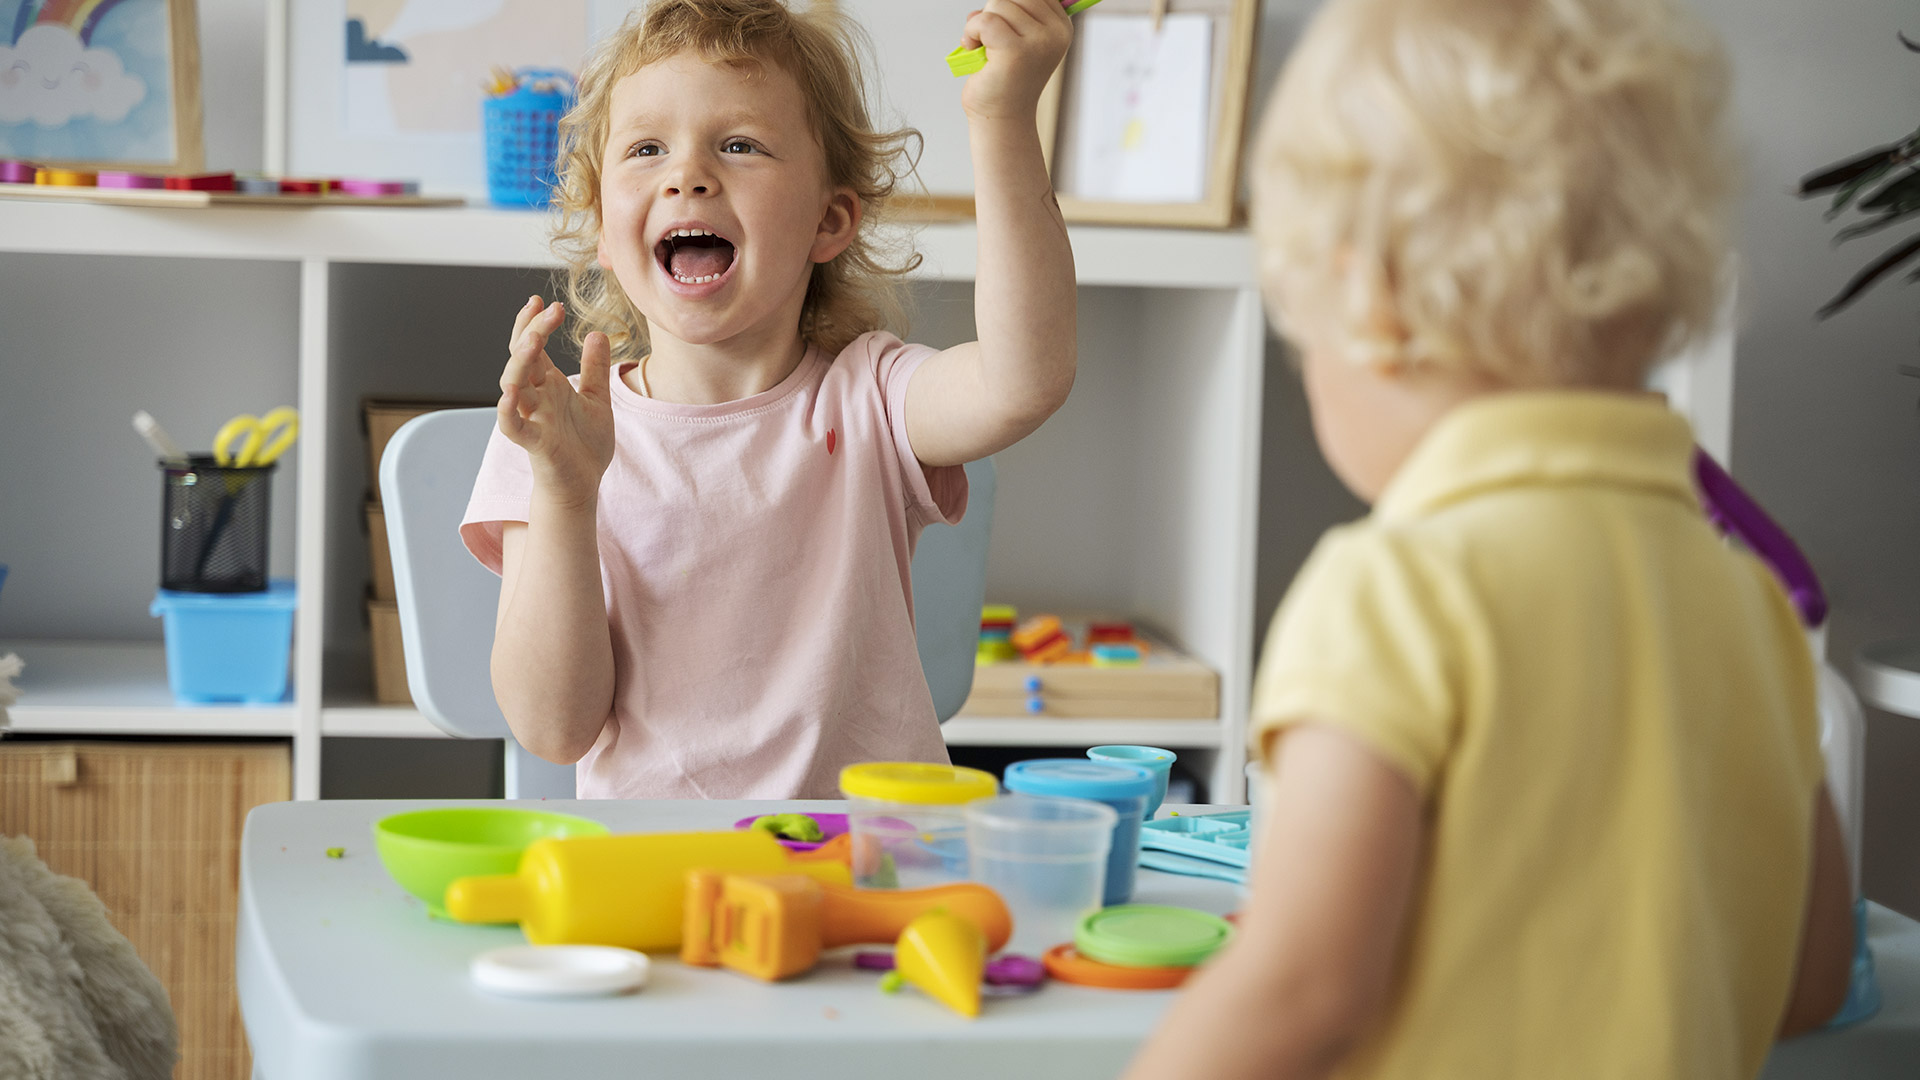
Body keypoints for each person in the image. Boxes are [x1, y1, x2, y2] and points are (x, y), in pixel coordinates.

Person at [1125, 0, 1855, 1076]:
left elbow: (1305, 986)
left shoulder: (1395, 591)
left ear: (1369, 296)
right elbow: (1810, 981)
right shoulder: (1751, 608)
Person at [461, 0, 1076, 798]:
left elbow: (1025, 379)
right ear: (606, 234)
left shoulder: (873, 399)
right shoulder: (555, 442)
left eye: (740, 145)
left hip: (865, 866)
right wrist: (567, 497)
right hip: (663, 877)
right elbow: (555, 728)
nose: (689, 173)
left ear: (830, 219)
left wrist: (1001, 118)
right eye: (647, 148)